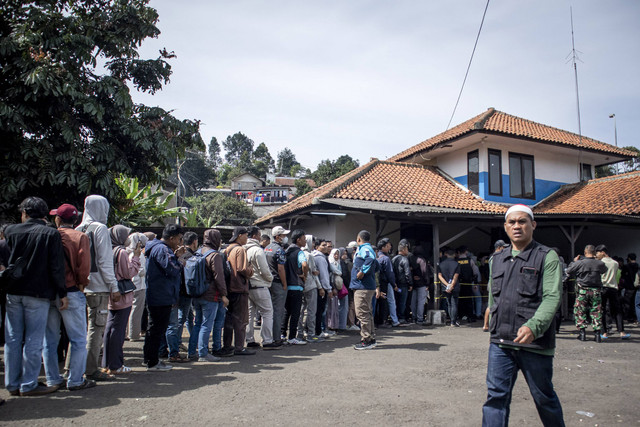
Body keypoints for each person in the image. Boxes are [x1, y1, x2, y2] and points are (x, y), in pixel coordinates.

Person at [482, 204, 564, 427]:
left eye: (522, 221)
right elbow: (493, 297)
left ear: (533, 225)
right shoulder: (496, 260)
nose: (517, 226)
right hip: (500, 342)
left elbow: (552, 297)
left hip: (535, 344)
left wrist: (534, 326)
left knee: (544, 398)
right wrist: (489, 321)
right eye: (512, 222)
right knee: (495, 399)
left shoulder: (547, 257)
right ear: (505, 227)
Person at [4, 197, 67, 396]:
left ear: (25, 213)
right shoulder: (51, 234)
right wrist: (61, 292)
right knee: (34, 339)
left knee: (13, 339)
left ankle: (12, 383)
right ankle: (29, 384)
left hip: (13, 291)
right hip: (38, 292)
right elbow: (56, 266)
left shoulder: (11, 231)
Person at [43, 204, 95, 391]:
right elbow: (84, 267)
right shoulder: (80, 237)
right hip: (72, 291)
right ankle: (75, 380)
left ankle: (52, 379)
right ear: (75, 220)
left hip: (50, 293)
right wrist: (81, 286)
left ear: (57, 219)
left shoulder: (49, 235)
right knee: (78, 339)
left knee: (49, 339)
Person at [76, 195, 119, 381]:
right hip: (98, 287)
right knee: (96, 329)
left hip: (80, 287)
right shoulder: (101, 229)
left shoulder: (79, 228)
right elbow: (104, 261)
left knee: (79, 331)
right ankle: (91, 369)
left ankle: (73, 369)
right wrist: (113, 286)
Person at [144, 224, 186, 371]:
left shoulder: (156, 248)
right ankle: (153, 362)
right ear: (172, 238)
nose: (180, 243)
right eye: (179, 239)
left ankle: (149, 358)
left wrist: (176, 256)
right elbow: (171, 268)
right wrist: (180, 263)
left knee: (154, 329)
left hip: (157, 293)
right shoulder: (162, 249)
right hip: (161, 295)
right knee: (157, 329)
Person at [103, 225, 141, 374]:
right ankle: (116, 365)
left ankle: (106, 363)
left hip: (111, 293)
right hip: (122, 294)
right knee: (118, 331)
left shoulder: (109, 250)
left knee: (109, 329)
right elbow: (128, 273)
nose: (128, 239)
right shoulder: (122, 253)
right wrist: (136, 257)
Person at [189, 229, 229, 362]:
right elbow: (219, 277)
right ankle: (203, 353)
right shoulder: (215, 255)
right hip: (211, 295)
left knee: (197, 324)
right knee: (207, 325)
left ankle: (192, 352)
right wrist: (224, 294)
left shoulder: (198, 252)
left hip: (197, 294)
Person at [221, 226, 255, 356]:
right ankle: (239, 347)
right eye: (246, 235)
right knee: (241, 320)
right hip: (239, 288)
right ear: (240, 235)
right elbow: (241, 269)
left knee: (229, 320)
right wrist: (250, 271)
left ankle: (227, 346)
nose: (247, 238)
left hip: (229, 288)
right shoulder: (240, 249)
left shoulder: (227, 249)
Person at [165, 231, 197, 363]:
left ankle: (186, 343)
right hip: (184, 293)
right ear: (194, 242)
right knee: (180, 320)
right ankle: (176, 345)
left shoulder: (180, 255)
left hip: (180, 292)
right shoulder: (188, 256)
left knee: (189, 317)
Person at [244, 226, 279, 349]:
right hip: (260, 285)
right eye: (259, 235)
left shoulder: (243, 249)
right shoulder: (257, 250)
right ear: (254, 236)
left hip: (247, 286)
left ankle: (249, 340)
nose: (260, 237)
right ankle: (267, 340)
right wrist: (270, 279)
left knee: (249, 315)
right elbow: (264, 270)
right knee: (267, 313)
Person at [566, 245, 607, 342]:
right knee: (596, 311)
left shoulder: (580, 263)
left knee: (580, 311)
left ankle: (582, 333)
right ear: (594, 252)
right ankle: (597, 334)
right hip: (596, 290)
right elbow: (604, 270)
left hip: (582, 290)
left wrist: (574, 262)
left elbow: (568, 270)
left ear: (585, 252)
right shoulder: (600, 263)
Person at [350, 230, 380, 350]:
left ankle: (366, 340)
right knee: (367, 313)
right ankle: (371, 338)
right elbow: (376, 265)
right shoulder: (369, 248)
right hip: (367, 286)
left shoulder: (364, 249)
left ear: (358, 239)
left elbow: (370, 259)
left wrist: (362, 271)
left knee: (362, 314)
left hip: (362, 287)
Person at [596, 245, 629, 340]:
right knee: (617, 310)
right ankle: (622, 332)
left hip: (603, 288)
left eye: (597, 253)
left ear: (603, 252)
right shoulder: (615, 263)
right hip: (613, 288)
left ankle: (604, 333)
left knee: (601, 310)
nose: (596, 255)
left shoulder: (600, 263)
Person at [282, 229, 309, 345]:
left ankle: (282, 334)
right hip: (296, 287)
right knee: (295, 313)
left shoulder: (286, 251)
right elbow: (304, 264)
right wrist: (304, 275)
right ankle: (292, 337)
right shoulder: (299, 252)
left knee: (286, 312)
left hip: (286, 286)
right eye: (304, 239)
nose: (305, 241)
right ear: (298, 240)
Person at [264, 226, 289, 345]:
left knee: (268, 312)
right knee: (278, 311)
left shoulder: (267, 248)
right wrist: (285, 284)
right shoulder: (279, 250)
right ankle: (276, 338)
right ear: (278, 236)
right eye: (283, 235)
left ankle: (268, 337)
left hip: (268, 282)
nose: (285, 238)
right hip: (278, 282)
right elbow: (281, 268)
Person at [297, 235, 323, 342]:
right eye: (312, 242)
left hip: (300, 285)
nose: (313, 244)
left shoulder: (298, 253)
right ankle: (311, 334)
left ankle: (299, 333)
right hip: (310, 285)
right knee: (312, 311)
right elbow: (313, 273)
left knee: (300, 311)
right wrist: (320, 287)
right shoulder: (309, 255)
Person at [127, 232, 148, 342]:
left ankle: (129, 332)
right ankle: (134, 334)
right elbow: (141, 271)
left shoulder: (128, 253)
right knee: (136, 311)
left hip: (132, 285)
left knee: (131, 309)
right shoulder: (137, 255)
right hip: (139, 285)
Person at [483, 240, 506, 331]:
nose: (505, 249)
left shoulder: (494, 257)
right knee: (491, 305)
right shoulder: (495, 258)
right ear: (499, 247)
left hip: (494, 283)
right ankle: (487, 325)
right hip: (494, 283)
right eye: (503, 247)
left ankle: (488, 325)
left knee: (492, 304)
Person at [376, 238, 399, 327]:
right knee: (387, 301)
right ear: (384, 247)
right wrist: (394, 284)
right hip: (385, 283)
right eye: (388, 245)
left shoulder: (377, 258)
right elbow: (390, 273)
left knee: (379, 302)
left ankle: (379, 321)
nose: (390, 247)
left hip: (378, 284)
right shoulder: (386, 259)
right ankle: (386, 321)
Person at [438, 249, 460, 327]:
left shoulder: (441, 264)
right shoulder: (456, 264)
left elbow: (439, 276)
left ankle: (451, 320)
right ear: (454, 255)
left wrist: (447, 284)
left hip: (445, 287)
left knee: (449, 303)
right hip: (454, 286)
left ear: (446, 254)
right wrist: (451, 285)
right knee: (454, 303)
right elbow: (455, 276)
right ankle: (453, 322)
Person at [392, 239, 412, 323]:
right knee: (403, 302)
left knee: (395, 301)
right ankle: (401, 317)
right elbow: (407, 273)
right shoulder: (405, 259)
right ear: (403, 249)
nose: (408, 251)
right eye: (407, 249)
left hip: (395, 284)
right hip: (403, 284)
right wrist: (410, 283)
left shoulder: (393, 259)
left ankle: (395, 317)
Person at [410, 246, 431, 325]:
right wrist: (427, 283)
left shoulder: (411, 259)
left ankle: (413, 318)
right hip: (421, 283)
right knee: (421, 302)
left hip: (412, 283)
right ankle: (420, 319)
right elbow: (424, 272)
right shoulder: (422, 260)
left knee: (413, 302)